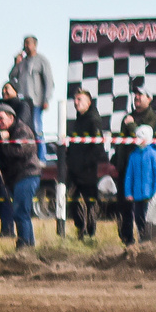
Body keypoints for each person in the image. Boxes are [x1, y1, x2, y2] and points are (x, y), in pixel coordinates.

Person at [59, 86, 105, 239]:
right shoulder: (79, 119)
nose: (76, 103)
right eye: (75, 100)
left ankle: (90, 234)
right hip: (74, 169)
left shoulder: (93, 119)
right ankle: (81, 231)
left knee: (89, 203)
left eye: (79, 100)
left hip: (87, 172)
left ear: (89, 102)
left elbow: (98, 147)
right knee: (73, 203)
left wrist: (85, 164)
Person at [0, 103, 39, 247]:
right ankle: (29, 245)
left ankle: (23, 245)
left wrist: (4, 140)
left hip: (27, 174)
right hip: (14, 178)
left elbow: (18, 152)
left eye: (0, 119)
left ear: (11, 117)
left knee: (20, 212)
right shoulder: (2, 132)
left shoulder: (22, 130)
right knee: (22, 213)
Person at [9, 36, 56, 154]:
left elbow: (49, 81)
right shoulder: (22, 62)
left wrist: (46, 99)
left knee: (36, 128)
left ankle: (41, 156)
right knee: (24, 129)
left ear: (35, 45)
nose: (25, 46)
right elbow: (11, 77)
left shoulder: (41, 60)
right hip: (23, 102)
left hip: (36, 101)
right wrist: (16, 63)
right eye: (24, 43)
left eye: (28, 43)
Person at [121, 123, 156, 242]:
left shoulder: (154, 155)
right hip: (137, 195)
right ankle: (142, 238)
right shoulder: (133, 156)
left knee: (149, 219)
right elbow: (129, 175)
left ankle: (151, 239)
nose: (136, 140)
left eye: (139, 137)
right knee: (139, 219)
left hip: (150, 195)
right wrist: (128, 192)